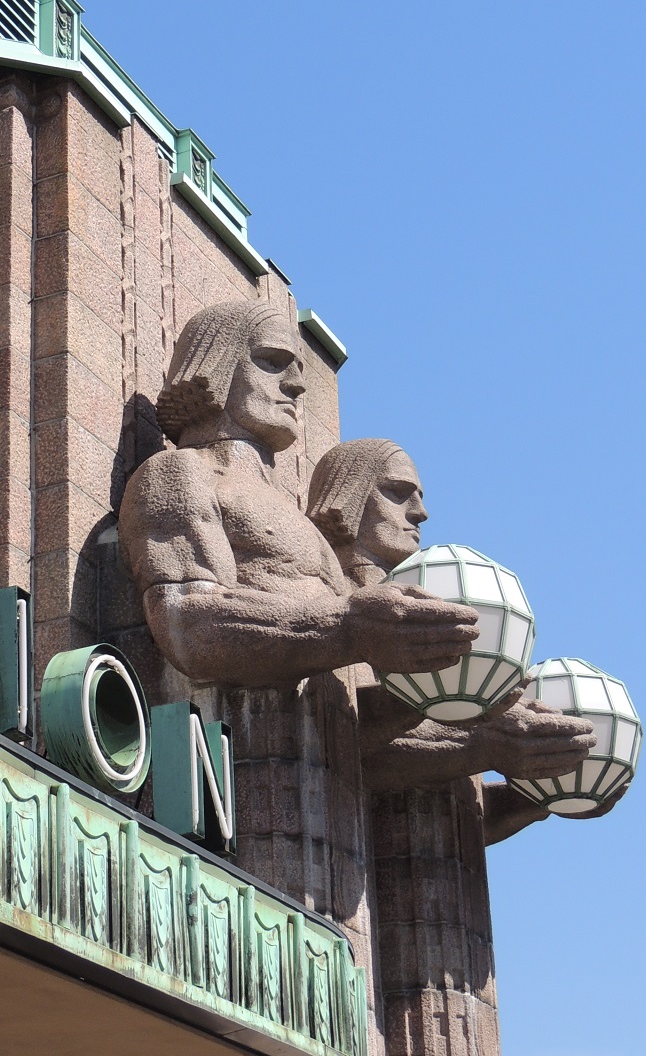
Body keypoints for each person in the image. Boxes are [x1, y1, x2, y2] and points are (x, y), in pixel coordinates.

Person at [119, 302, 479, 688]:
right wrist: (349, 627)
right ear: (215, 363)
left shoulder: (302, 526)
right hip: (241, 739)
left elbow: (349, 698)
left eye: (298, 369)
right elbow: (188, 625)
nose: (296, 383)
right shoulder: (182, 472)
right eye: (272, 362)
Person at [306, 437, 598, 842]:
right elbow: (339, 742)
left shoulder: (447, 629)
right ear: (348, 496)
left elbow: (462, 818)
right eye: (396, 493)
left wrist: (537, 792)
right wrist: (484, 743)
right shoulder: (330, 601)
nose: (419, 513)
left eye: (419, 498)